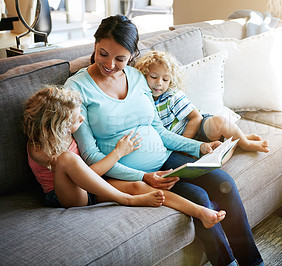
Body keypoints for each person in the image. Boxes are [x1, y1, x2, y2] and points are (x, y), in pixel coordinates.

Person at [64, 14, 264, 266]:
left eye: (120, 59)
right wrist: (144, 177)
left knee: (224, 182)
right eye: (103, 54)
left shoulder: (137, 78)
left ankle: (253, 262)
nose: (110, 64)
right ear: (94, 44)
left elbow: (158, 129)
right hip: (129, 173)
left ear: (132, 56)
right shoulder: (76, 88)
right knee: (200, 198)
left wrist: (200, 146)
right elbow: (91, 156)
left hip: (165, 158)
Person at [23, 85, 226, 229]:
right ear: (60, 126)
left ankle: (201, 212)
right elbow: (84, 176)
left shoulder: (66, 132)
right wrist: (118, 152)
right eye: (78, 119)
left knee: (140, 187)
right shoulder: (40, 149)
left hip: (91, 186)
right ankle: (126, 200)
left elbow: (89, 177)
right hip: (66, 196)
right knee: (67, 159)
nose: (83, 120)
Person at [135, 51, 269, 153]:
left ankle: (245, 143)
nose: (159, 83)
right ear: (144, 74)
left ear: (170, 81)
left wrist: (188, 143)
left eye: (165, 80)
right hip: (181, 141)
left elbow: (196, 117)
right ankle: (239, 136)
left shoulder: (172, 96)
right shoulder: (143, 101)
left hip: (198, 127)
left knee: (219, 122)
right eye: (153, 77)